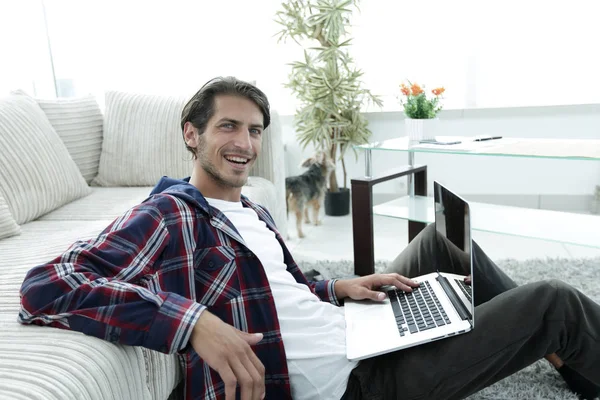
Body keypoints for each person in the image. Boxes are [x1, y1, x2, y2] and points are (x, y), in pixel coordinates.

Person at [19, 77, 600, 400]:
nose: (244, 143)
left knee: (444, 246)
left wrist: (337, 287)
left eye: (253, 130)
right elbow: (47, 286)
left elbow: (281, 291)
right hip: (360, 381)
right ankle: (559, 336)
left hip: (355, 329)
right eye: (228, 127)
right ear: (191, 135)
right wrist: (192, 323)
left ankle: (561, 350)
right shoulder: (170, 213)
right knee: (556, 299)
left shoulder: (247, 210)